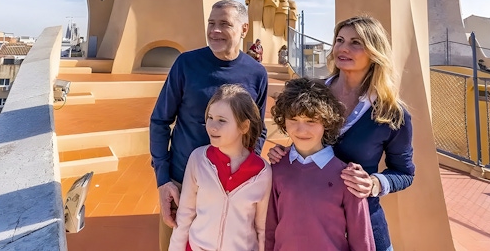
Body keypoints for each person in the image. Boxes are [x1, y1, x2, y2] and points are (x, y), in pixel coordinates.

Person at [268, 15, 414, 250]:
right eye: (339, 40)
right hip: (315, 233)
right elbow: (305, 138)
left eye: (356, 43)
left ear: (374, 52)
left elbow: (405, 173)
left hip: (367, 231)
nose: (343, 48)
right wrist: (287, 152)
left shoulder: (392, 113)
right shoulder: (312, 92)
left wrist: (373, 183)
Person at [150, 0, 269, 251]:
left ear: (244, 29)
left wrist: (246, 170)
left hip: (232, 190)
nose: (214, 30)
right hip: (181, 183)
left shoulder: (257, 74)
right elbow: (160, 120)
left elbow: (258, 129)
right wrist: (163, 180)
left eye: (224, 24)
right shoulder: (186, 64)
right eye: (211, 23)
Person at [266, 78, 374, 251]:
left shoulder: (347, 176)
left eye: (311, 121)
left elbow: (362, 240)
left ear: (327, 121)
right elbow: (269, 230)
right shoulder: (276, 170)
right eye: (293, 119)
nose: (301, 130)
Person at [169, 84, 271, 251]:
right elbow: (185, 215)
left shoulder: (263, 173)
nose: (212, 126)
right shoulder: (198, 159)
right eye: (210, 117)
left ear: (244, 127)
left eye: (222, 120)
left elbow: (262, 228)